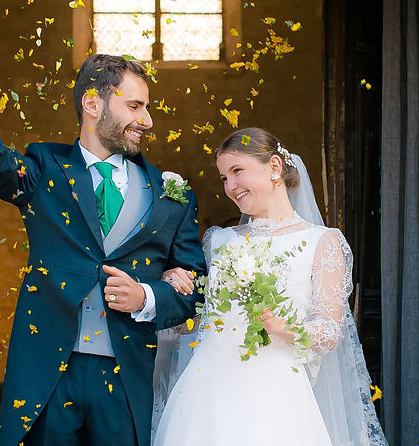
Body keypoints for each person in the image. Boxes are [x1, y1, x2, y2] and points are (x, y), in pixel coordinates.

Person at [0, 24, 206, 446]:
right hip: (47, 373)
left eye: (147, 108)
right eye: (135, 106)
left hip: (125, 377)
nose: (147, 121)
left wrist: (149, 298)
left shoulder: (173, 195)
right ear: (93, 104)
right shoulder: (44, 168)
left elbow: (197, 285)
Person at [154, 128, 388, 446]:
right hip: (206, 394)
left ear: (275, 167)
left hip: (277, 397)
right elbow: (192, 321)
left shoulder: (321, 242)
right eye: (224, 178)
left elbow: (331, 331)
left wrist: (287, 329)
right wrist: (172, 284)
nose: (230, 187)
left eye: (237, 171)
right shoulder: (218, 241)